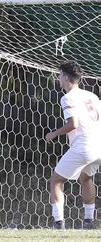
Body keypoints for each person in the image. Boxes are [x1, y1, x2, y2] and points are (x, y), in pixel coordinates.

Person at [45, 61, 101, 230]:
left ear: (66, 77)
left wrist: (53, 134)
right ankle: (89, 221)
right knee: (86, 178)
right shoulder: (91, 95)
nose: (59, 78)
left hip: (84, 146)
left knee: (56, 180)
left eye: (60, 75)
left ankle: (58, 223)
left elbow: (73, 124)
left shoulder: (67, 98)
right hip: (98, 145)